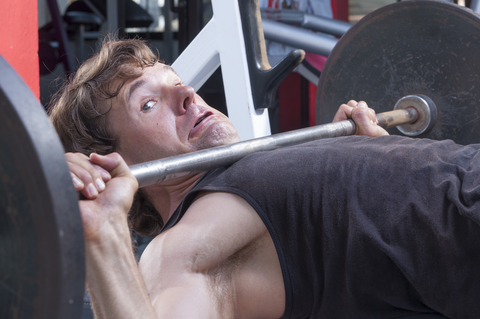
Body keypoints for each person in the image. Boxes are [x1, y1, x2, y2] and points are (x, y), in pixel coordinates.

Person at [49, 38, 480, 319]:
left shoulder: (249, 183)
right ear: (109, 162)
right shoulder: (179, 249)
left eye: (177, 83)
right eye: (147, 104)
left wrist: (369, 161)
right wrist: (103, 234)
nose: (187, 95)